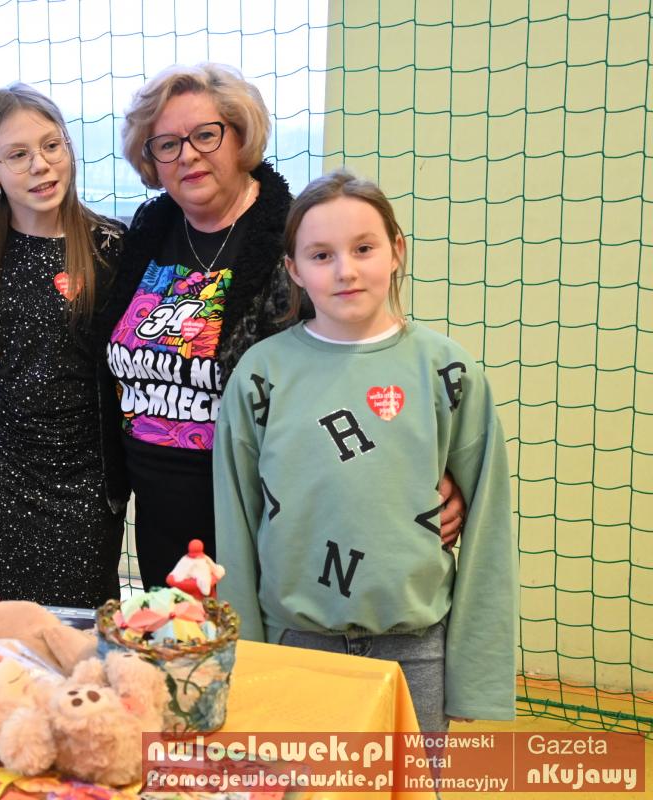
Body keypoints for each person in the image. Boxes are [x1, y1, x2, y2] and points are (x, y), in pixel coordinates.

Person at [97, 62, 466, 591]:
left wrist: (422, 466)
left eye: (206, 135)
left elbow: (362, 354)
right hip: (159, 510)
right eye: (167, 144)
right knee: (177, 640)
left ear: (240, 136)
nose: (189, 155)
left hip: (267, 511)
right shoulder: (144, 234)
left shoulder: (294, 236)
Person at [213, 169, 518, 733]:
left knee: (408, 780)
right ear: (294, 269)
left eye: (363, 248)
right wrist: (242, 658)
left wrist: (475, 674)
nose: (345, 271)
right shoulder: (262, 374)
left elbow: (489, 526)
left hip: (416, 649)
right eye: (321, 255)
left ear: (397, 250)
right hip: (294, 644)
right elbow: (235, 520)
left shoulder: (447, 371)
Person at [0, 84, 128, 607]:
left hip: (87, 476)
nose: (41, 165)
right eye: (18, 155)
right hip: (9, 471)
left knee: (80, 630)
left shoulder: (110, 245)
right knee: (8, 626)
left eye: (51, 145)